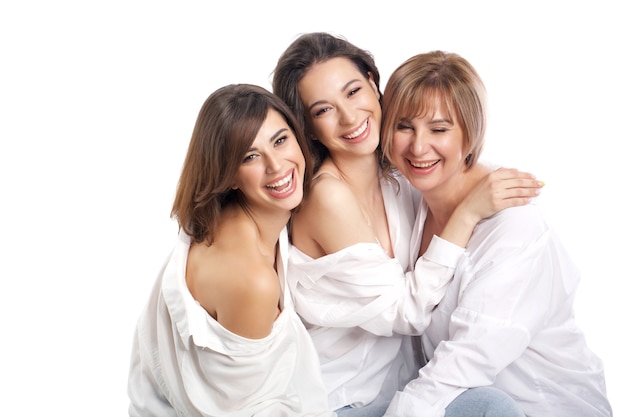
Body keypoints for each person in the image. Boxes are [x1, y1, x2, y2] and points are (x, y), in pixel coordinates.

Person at [271, 32, 543, 417]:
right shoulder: (326, 196)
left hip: (397, 390)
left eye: (352, 92)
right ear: (308, 126)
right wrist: (469, 211)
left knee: (492, 405)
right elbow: (407, 312)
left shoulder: (397, 179)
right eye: (323, 110)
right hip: (341, 401)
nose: (349, 118)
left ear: (372, 81)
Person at [380, 50, 612, 417]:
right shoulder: (410, 200)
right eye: (404, 126)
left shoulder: (515, 228)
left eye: (439, 129)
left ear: (470, 134)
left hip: (543, 409)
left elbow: (468, 358)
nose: (419, 146)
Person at [127, 83, 336, 417]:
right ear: (229, 175)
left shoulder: (229, 218)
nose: (277, 165)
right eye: (250, 156)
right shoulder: (252, 280)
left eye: (280, 140)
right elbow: (245, 410)